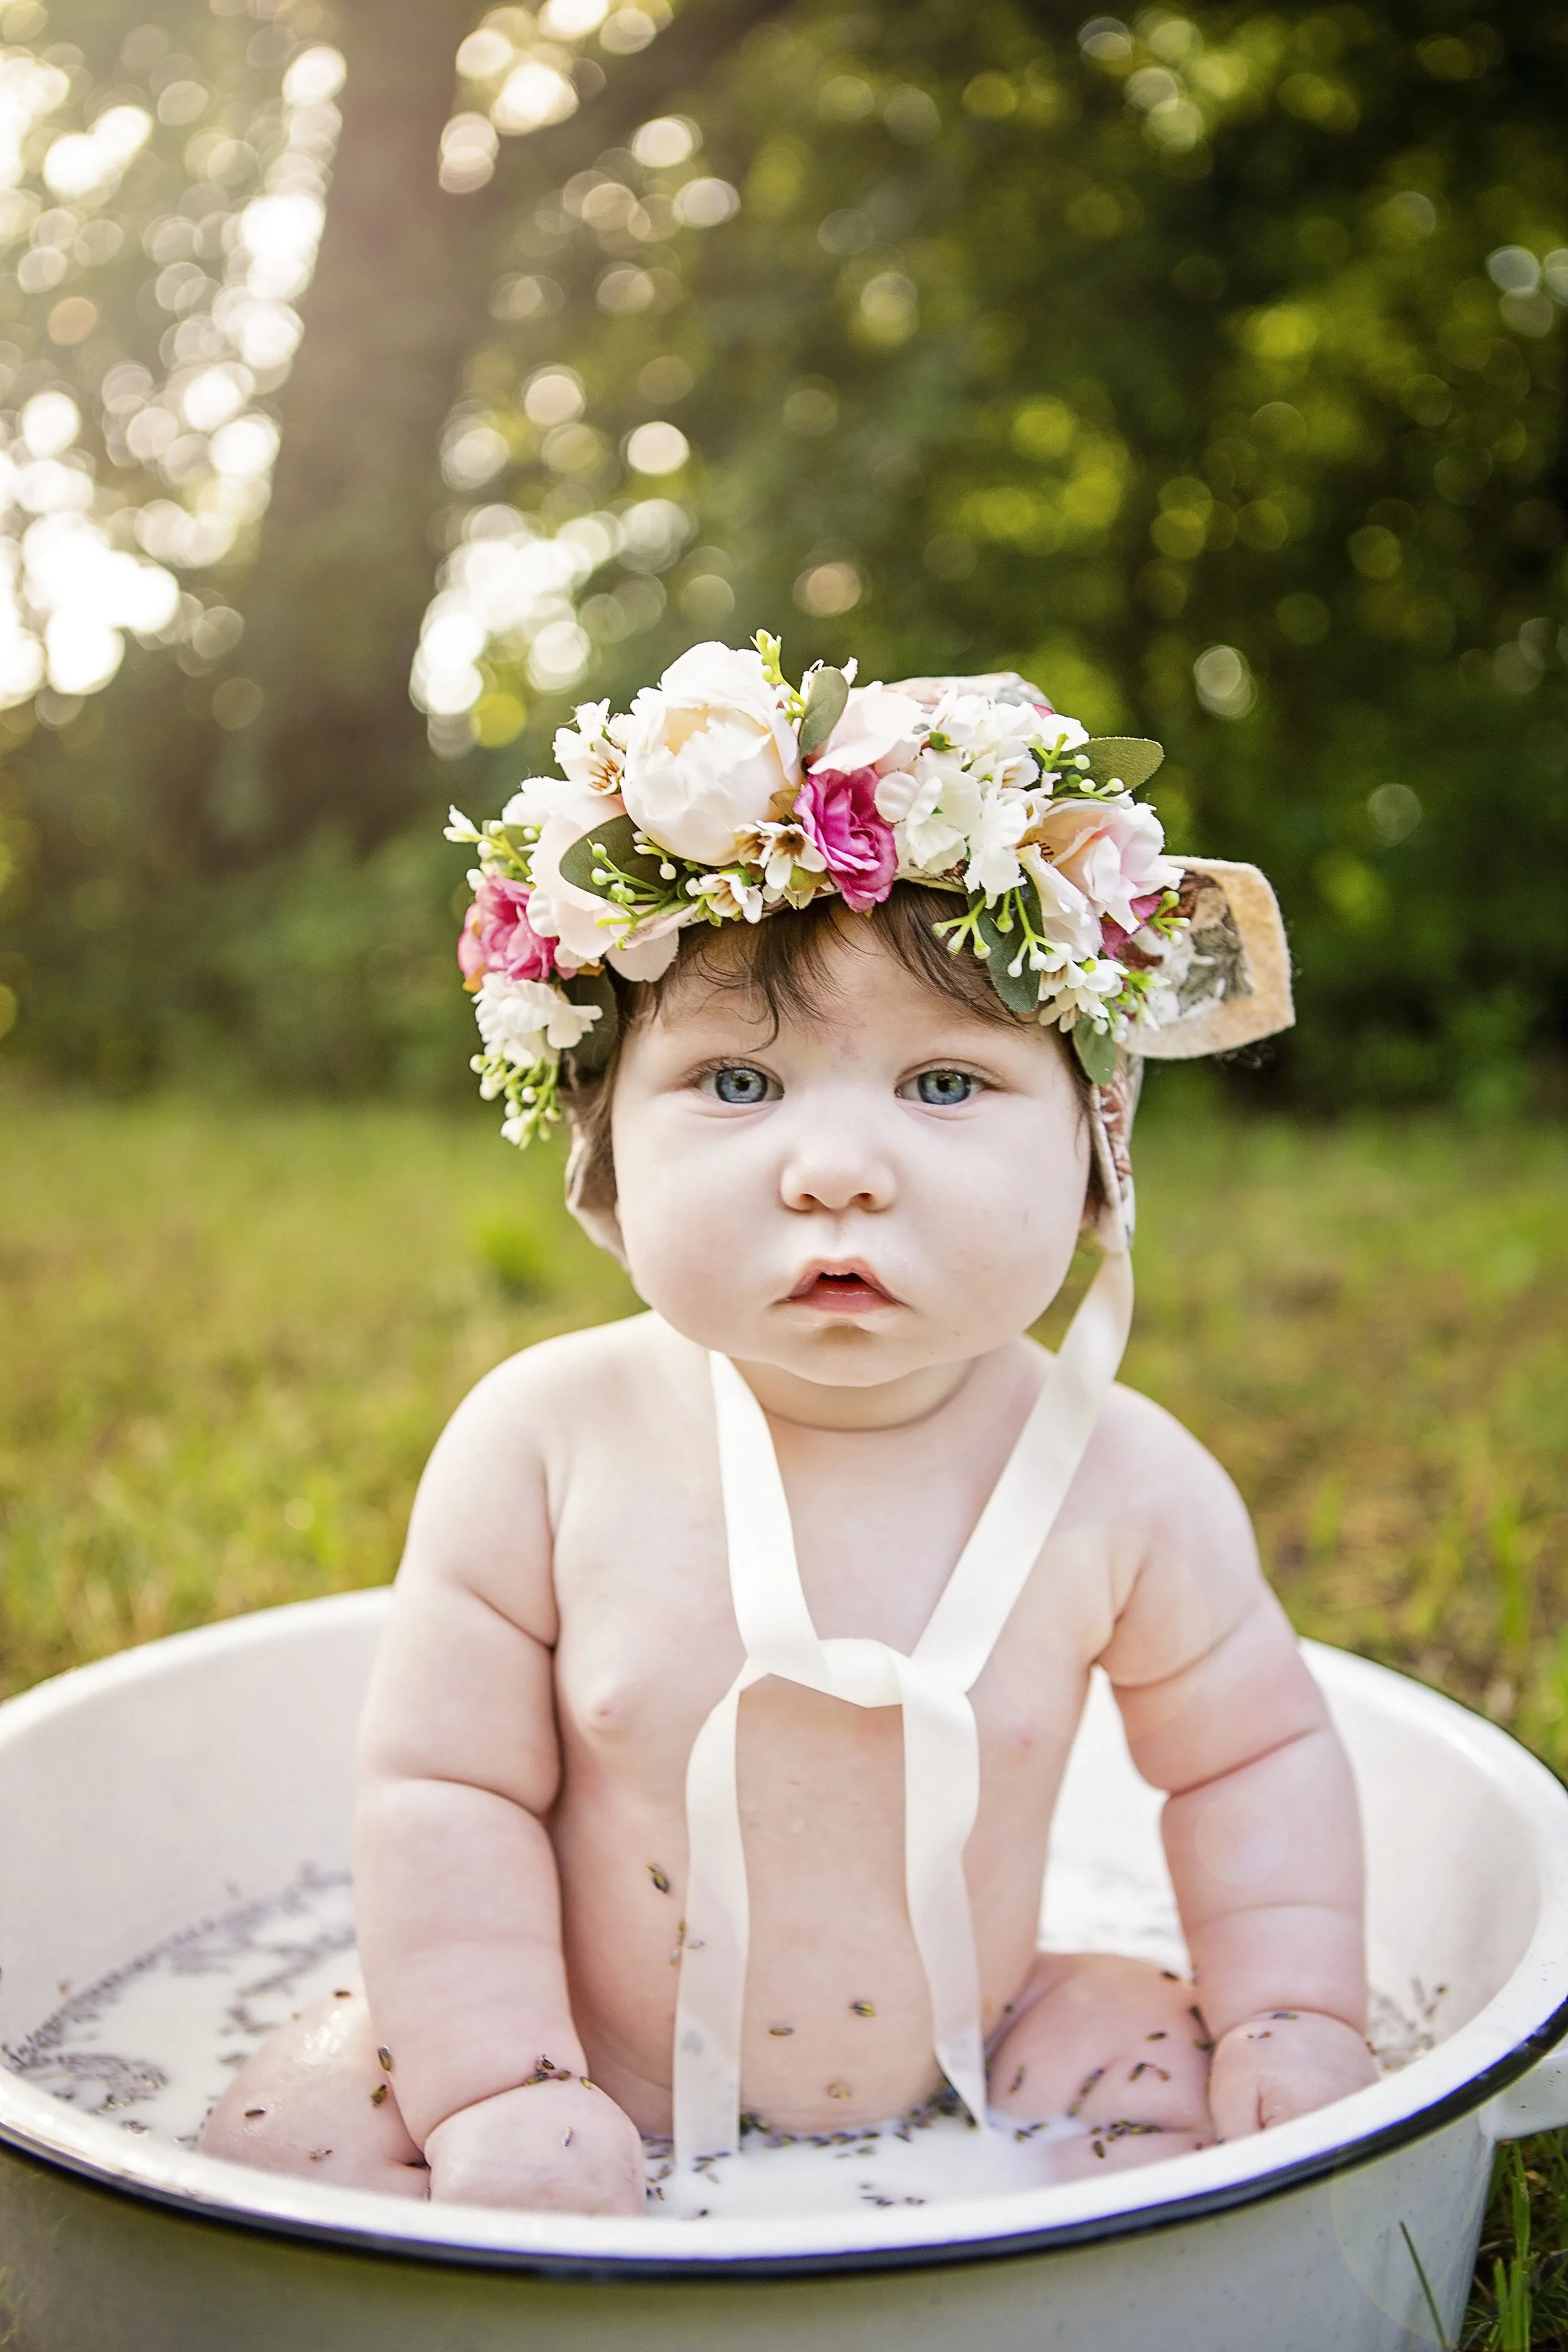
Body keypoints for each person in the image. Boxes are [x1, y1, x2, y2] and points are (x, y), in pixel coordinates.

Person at [200, 640, 1377, 2215]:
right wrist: (498, 2084)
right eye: (739, 1080)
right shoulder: (544, 1445)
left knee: (1190, 2113)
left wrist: (1290, 2011)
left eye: (946, 1084)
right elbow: (443, 1792)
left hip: (982, 2035)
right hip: (579, 2048)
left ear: (1097, 1167)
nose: (836, 1167)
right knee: (286, 2143)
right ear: (603, 1170)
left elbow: (1250, 1759)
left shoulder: (1125, 1484)